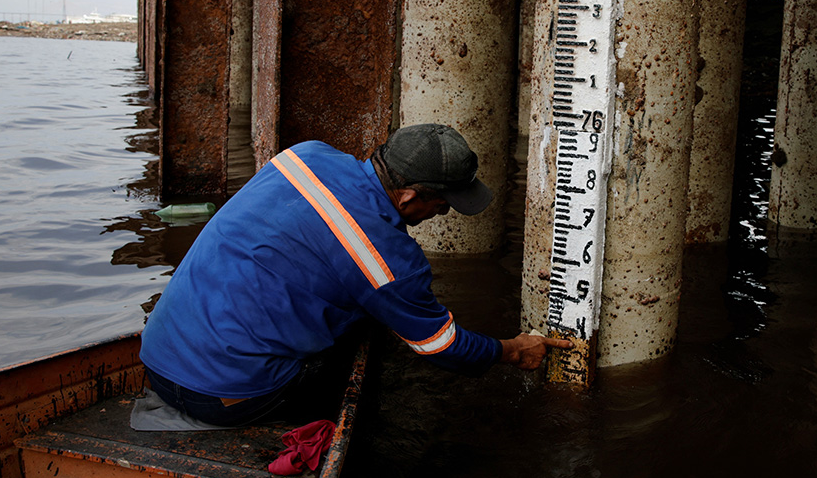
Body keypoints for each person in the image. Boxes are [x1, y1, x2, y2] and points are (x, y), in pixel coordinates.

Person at [139, 123, 570, 427]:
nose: (443, 212)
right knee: (365, 335)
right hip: (226, 398)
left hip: (156, 356)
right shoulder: (391, 263)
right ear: (408, 196)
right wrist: (512, 350)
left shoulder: (303, 155)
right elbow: (444, 347)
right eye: (443, 203)